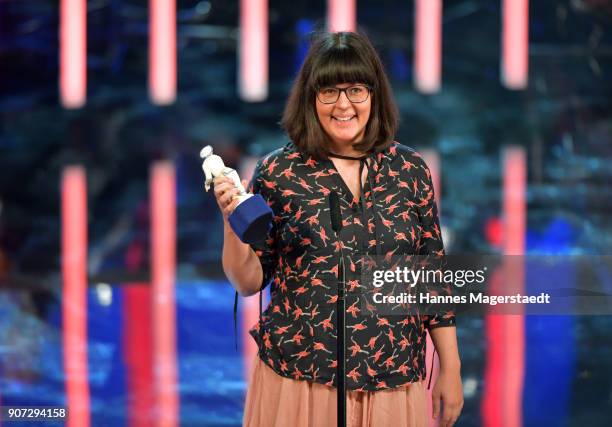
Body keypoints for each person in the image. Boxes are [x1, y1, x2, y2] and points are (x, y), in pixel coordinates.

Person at [214, 31, 463, 427]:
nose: (343, 104)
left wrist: (450, 366)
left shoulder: (409, 171)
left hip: (392, 376)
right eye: (329, 92)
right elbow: (248, 282)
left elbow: (430, 280)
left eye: (355, 90)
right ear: (311, 99)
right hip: (301, 380)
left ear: (374, 94)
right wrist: (233, 225)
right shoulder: (280, 173)